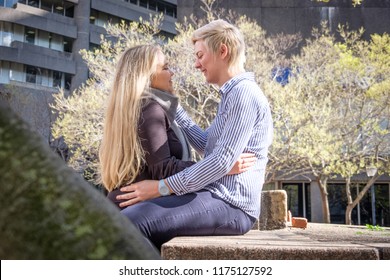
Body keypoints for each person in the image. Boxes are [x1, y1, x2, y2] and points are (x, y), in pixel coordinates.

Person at [109, 19, 273, 250]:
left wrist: (160, 187)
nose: (196, 64)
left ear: (222, 51)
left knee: (132, 222)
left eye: (200, 55)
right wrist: (169, 103)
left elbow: (219, 162)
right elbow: (208, 146)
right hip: (215, 196)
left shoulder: (243, 94)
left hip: (231, 204)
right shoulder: (231, 95)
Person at [99, 44, 256, 209]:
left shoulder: (135, 109)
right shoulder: (149, 109)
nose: (172, 73)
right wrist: (219, 167)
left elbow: (202, 143)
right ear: (146, 76)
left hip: (130, 207)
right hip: (137, 210)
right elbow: (164, 169)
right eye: (165, 67)